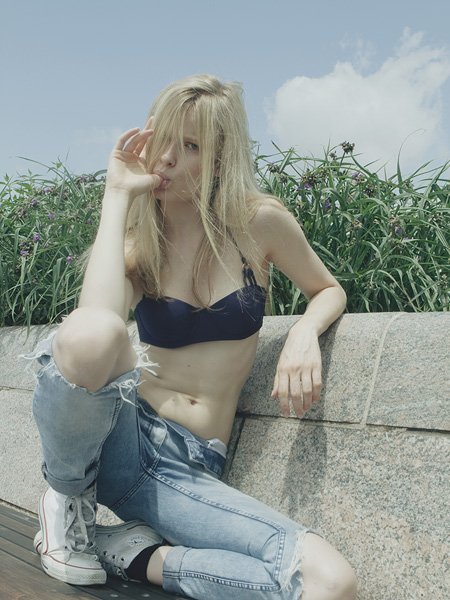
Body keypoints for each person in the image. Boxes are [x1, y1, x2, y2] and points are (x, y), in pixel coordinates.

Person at [27, 74, 357, 599]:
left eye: (191, 146)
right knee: (94, 331)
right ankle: (68, 500)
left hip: (188, 465)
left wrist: (304, 331)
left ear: (221, 158)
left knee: (331, 581)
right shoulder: (140, 245)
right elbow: (90, 334)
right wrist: (117, 194)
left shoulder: (259, 223)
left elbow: (328, 289)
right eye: (163, 140)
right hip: (119, 438)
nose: (167, 159)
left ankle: (139, 558)